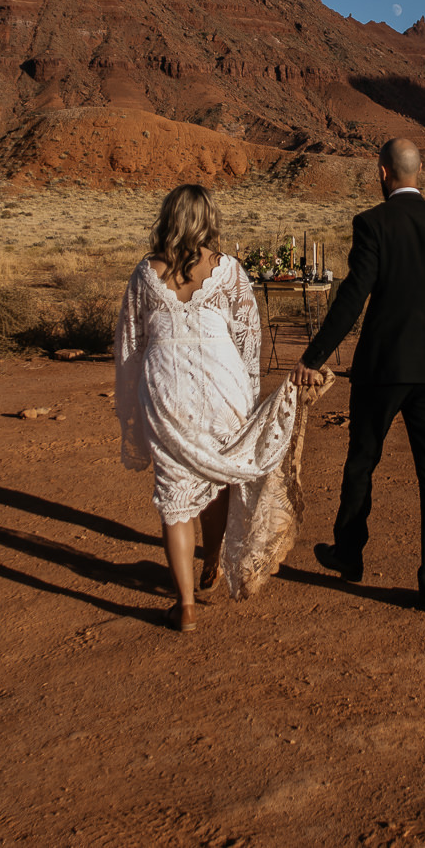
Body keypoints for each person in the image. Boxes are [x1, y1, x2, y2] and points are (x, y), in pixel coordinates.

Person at [114, 184, 321, 632]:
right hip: (222, 381)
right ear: (208, 219)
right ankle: (212, 560)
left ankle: (185, 605)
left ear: (168, 217)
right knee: (220, 470)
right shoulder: (227, 270)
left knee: (175, 495)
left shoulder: (146, 273)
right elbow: (249, 338)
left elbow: (131, 342)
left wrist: (132, 401)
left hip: (166, 388)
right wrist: (247, 395)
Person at [297, 139, 425, 613]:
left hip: (385, 367)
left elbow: (354, 296)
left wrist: (314, 356)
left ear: (382, 173)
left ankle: (349, 554)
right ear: (422, 174)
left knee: (363, 460)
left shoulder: (372, 224)